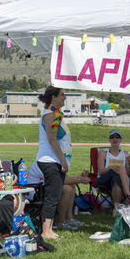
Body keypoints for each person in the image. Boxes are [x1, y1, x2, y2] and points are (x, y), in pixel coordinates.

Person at [35, 86, 72, 239]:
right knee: (52, 196)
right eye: (62, 95)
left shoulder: (56, 114)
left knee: (55, 195)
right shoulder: (50, 115)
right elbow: (52, 139)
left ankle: (49, 229)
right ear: (53, 98)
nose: (64, 98)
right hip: (50, 161)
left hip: (55, 161)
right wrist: (63, 159)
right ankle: (45, 231)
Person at [27, 162, 90, 230]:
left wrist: (78, 178)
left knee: (72, 185)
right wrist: (79, 179)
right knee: (66, 189)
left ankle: (69, 218)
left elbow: (62, 178)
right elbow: (58, 181)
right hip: (36, 191)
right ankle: (61, 222)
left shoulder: (54, 161)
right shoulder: (44, 162)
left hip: (44, 186)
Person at [96, 129, 130, 205]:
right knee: (120, 170)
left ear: (121, 139)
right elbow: (101, 172)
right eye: (112, 137)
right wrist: (110, 168)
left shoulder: (125, 154)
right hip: (105, 179)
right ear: (109, 139)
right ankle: (129, 197)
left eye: (117, 137)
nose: (115, 139)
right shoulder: (103, 153)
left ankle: (116, 208)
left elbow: (129, 173)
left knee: (116, 179)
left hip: (119, 180)